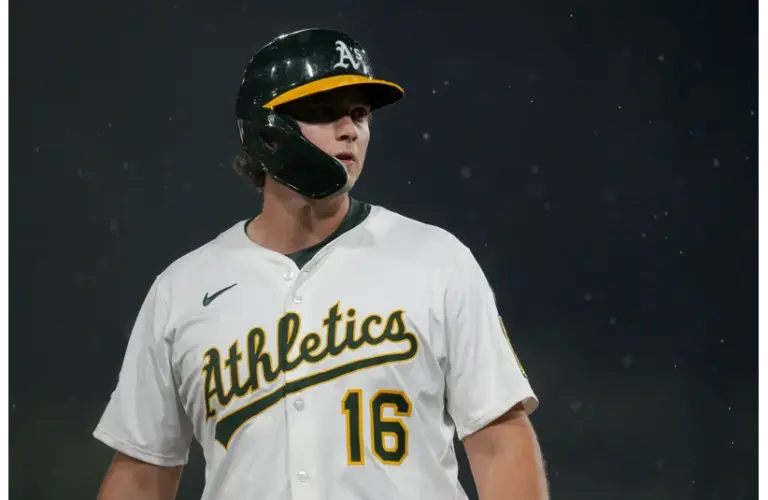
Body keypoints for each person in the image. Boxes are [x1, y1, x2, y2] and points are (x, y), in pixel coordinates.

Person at [93, 27, 549, 500]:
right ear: (266, 131)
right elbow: (143, 471)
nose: (350, 129)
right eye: (325, 112)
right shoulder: (182, 289)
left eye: (359, 114)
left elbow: (499, 442)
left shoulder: (436, 261)